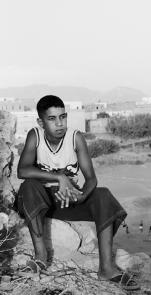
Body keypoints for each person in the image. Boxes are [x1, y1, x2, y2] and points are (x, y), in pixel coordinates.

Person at [16, 95, 139, 291]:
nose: (59, 123)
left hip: (67, 201)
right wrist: (59, 178)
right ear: (41, 122)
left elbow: (91, 179)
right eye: (52, 119)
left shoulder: (75, 138)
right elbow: (22, 170)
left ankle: (106, 268)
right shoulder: (35, 136)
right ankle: (40, 257)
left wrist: (81, 196)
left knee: (103, 194)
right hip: (39, 203)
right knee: (29, 185)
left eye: (63, 117)